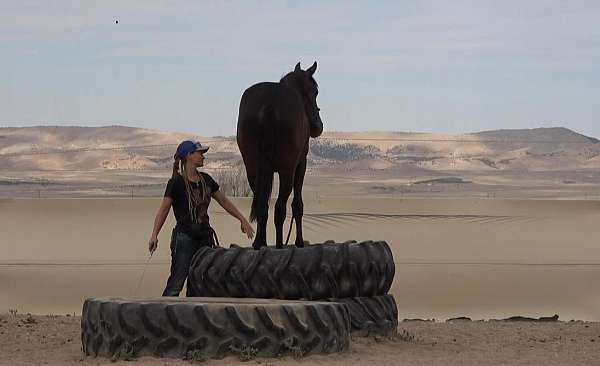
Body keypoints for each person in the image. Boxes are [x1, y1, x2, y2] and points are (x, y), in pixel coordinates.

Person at [148, 140, 254, 296]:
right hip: (184, 238)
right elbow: (163, 210)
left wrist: (242, 219)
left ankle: (192, 318)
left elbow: (224, 201)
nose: (203, 157)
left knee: (200, 282)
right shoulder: (176, 183)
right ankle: (164, 316)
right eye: (200, 153)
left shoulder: (207, 180)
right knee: (177, 280)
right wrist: (154, 235)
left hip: (204, 237)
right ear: (189, 156)